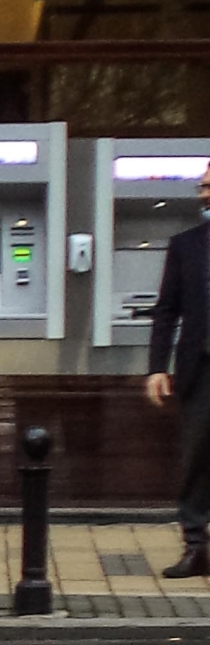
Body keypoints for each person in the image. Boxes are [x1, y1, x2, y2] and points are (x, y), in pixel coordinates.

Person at [143, 161, 210, 577]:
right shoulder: (185, 244)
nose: (204, 194)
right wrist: (156, 368)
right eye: (202, 186)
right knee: (195, 459)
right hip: (199, 369)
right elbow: (166, 310)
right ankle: (195, 547)